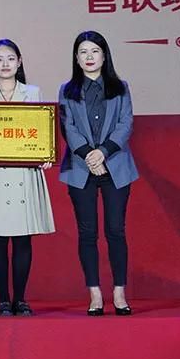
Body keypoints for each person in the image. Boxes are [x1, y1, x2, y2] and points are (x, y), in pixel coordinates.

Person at [0, 39, 55, 317]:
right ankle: (3, 299)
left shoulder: (33, 93)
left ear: (19, 62)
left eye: (10, 58)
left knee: (22, 239)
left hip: (24, 173)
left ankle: (21, 298)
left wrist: (46, 153)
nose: (5, 64)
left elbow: (42, 131)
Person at [58, 30, 138, 316]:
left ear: (104, 56)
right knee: (87, 232)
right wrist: (89, 157)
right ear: (76, 58)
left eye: (94, 51)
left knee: (116, 230)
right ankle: (94, 294)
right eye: (83, 52)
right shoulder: (67, 90)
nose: (89, 57)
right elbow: (68, 127)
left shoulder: (120, 87)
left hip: (116, 165)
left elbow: (125, 124)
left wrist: (102, 153)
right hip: (81, 169)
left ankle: (119, 292)